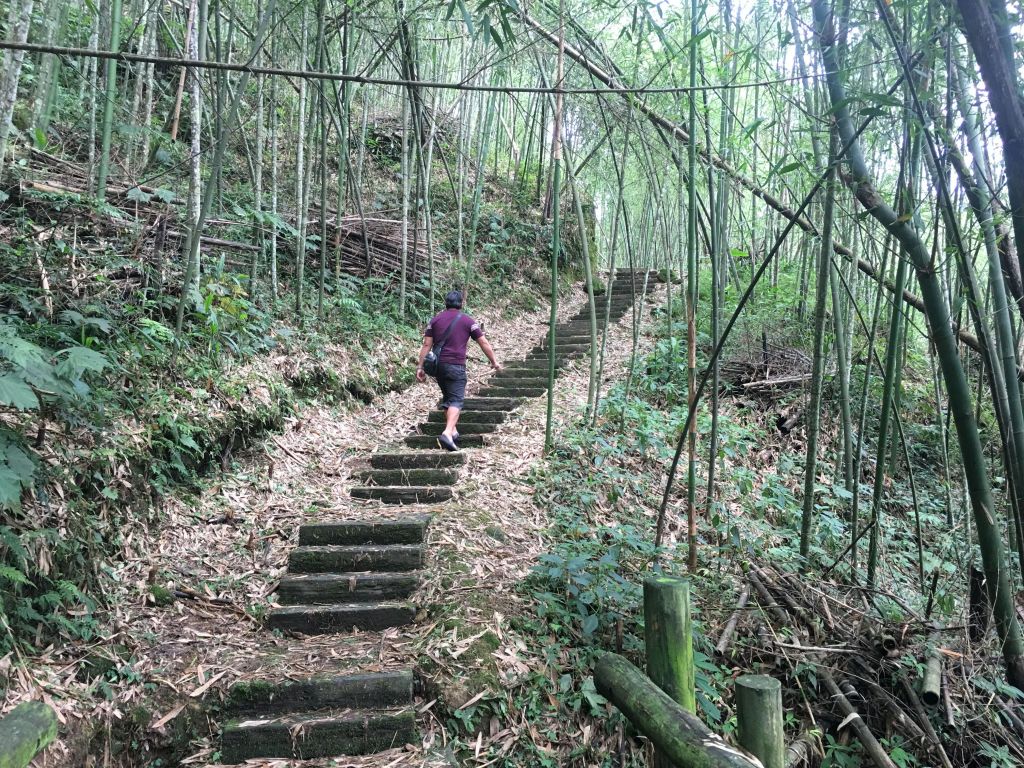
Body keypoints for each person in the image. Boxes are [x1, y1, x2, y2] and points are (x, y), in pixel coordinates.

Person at [416, 290, 501, 451]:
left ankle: (453, 430)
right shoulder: (468, 321)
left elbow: (427, 345)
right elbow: (483, 342)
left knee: (448, 398)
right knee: (456, 400)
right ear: (461, 303)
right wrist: (494, 361)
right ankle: (447, 433)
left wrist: (420, 367)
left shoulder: (435, 320)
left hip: (438, 366)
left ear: (446, 303)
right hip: (455, 365)